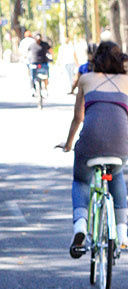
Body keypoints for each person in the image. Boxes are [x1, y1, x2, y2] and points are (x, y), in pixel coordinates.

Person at [57, 41, 128, 252]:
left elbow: (78, 117)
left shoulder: (86, 79)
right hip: (121, 144)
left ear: (95, 59)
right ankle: (122, 230)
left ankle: (80, 226)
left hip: (89, 143)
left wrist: (68, 144)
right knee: (117, 174)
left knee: (80, 181)